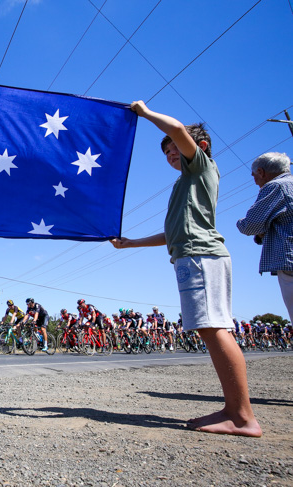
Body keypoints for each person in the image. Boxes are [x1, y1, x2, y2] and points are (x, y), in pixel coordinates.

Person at [111, 100, 261, 437]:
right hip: (190, 256)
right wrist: (131, 243)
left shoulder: (201, 168)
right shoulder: (183, 184)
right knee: (211, 328)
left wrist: (146, 113)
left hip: (201, 257)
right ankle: (233, 409)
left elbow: (178, 130)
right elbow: (174, 233)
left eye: (174, 149)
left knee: (214, 329)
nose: (170, 155)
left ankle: (242, 417)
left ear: (200, 147)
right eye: (165, 153)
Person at [236, 152, 293, 322]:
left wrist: (241, 223)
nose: (255, 181)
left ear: (261, 172)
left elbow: (250, 225)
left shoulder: (275, 186)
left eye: (254, 175)